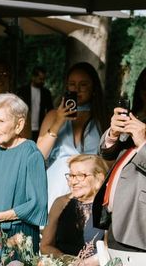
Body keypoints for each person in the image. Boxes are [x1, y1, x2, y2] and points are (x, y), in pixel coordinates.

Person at [0, 93, 47, 254]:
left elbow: (37, 203)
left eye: (1, 121)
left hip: (15, 238)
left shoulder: (31, 155)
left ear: (19, 125)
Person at [37, 62, 109, 209]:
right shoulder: (52, 116)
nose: (76, 90)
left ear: (93, 88)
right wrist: (58, 122)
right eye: (72, 84)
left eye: (83, 85)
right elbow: (37, 157)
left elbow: (109, 163)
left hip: (90, 193)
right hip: (54, 190)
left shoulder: (103, 118)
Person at [92, 103, 146, 261]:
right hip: (117, 225)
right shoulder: (141, 118)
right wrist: (113, 134)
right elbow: (107, 155)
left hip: (138, 230)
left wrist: (143, 144)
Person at [40, 154, 108, 264]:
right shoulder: (61, 203)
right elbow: (45, 246)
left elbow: (108, 251)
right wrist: (68, 261)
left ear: (99, 178)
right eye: (71, 175)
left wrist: (84, 264)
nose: (73, 181)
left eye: (81, 175)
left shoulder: (108, 206)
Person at [17, 65, 54, 140]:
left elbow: (50, 110)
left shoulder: (46, 93)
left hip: (40, 128)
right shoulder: (22, 91)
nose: (42, 81)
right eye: (40, 79)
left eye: (44, 79)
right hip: (25, 126)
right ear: (33, 77)